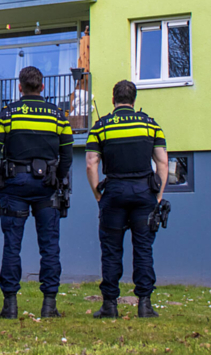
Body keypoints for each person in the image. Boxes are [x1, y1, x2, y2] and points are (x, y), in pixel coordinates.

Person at [0, 66, 73, 319]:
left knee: (12, 245)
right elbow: (67, 152)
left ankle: (10, 305)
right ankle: (49, 305)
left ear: (20, 87)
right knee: (49, 246)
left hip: (15, 184)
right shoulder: (58, 115)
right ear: (43, 87)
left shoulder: (8, 113)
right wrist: (57, 178)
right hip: (47, 185)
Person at [85, 80, 168, 319]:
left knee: (111, 250)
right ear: (134, 101)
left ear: (113, 100)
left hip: (114, 192)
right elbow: (162, 162)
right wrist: (158, 196)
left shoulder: (101, 126)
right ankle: (145, 305)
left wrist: (98, 194)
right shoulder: (150, 125)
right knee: (143, 249)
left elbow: (91, 163)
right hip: (144, 193)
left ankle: (110, 305)